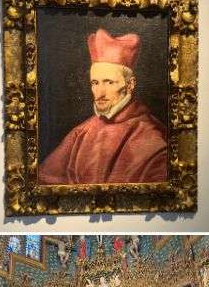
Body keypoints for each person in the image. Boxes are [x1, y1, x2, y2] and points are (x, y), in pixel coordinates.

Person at [38, 28, 167, 185]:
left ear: (130, 84)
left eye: (109, 82)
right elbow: (44, 182)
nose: (99, 93)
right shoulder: (80, 133)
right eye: (95, 83)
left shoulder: (152, 137)